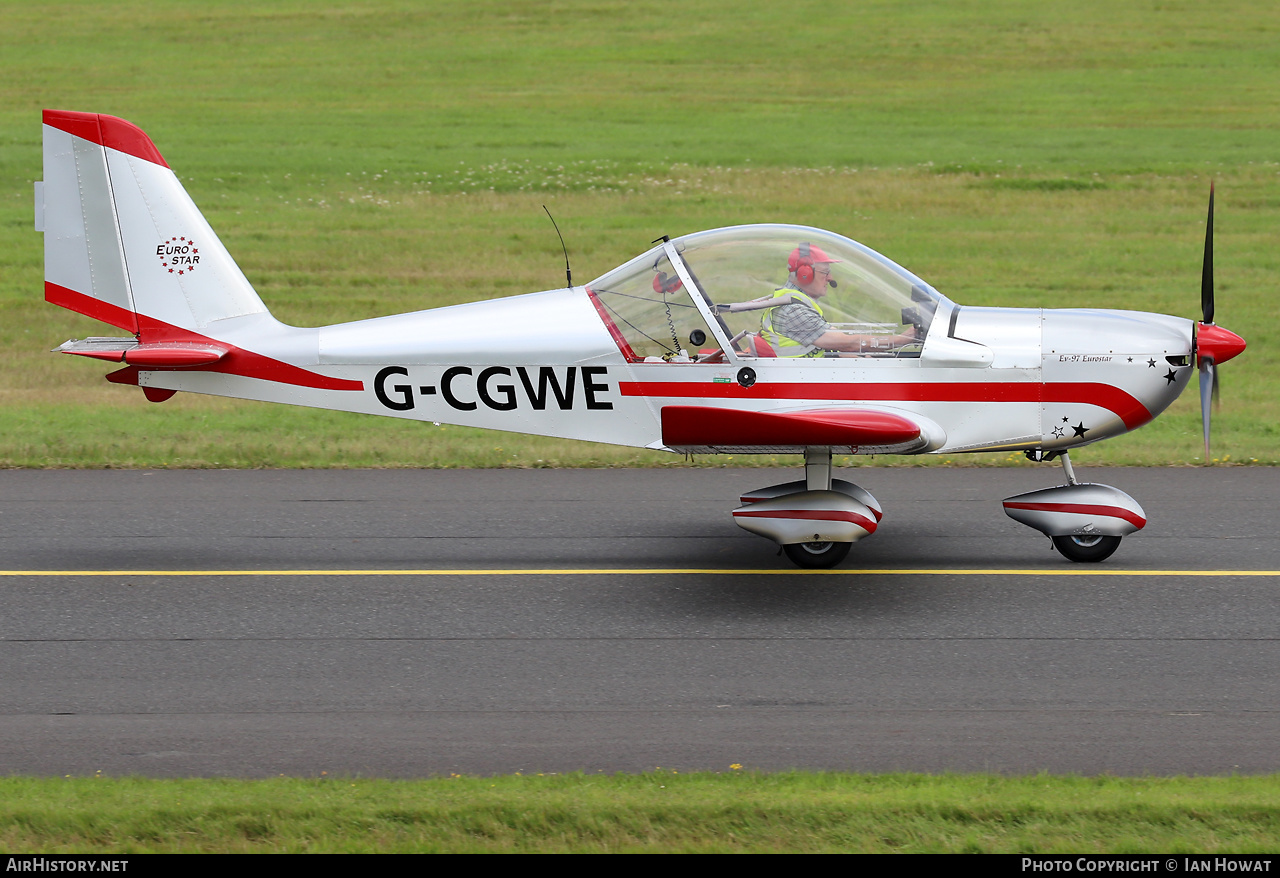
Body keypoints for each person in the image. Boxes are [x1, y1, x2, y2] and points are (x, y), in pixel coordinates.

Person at [760, 243, 917, 357]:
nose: (830, 278)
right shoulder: (794, 311)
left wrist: (861, 355)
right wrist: (903, 339)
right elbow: (849, 343)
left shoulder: (795, 303)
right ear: (805, 274)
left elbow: (841, 341)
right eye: (825, 272)